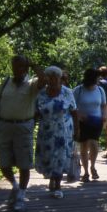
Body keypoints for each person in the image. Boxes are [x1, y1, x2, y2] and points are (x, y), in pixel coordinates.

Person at [0, 55, 44, 212]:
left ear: (26, 68)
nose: (16, 70)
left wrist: (33, 63)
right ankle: (15, 186)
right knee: (3, 162)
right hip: (4, 126)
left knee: (24, 163)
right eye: (14, 67)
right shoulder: (5, 83)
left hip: (24, 126)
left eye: (20, 67)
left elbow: (43, 80)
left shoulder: (32, 84)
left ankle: (21, 197)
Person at [34, 66, 78, 198]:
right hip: (46, 130)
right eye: (49, 77)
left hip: (63, 130)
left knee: (60, 157)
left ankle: (58, 186)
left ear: (60, 78)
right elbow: (36, 112)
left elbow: (74, 112)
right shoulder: (41, 93)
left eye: (55, 77)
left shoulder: (67, 92)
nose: (52, 80)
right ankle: (52, 178)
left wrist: (77, 130)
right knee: (48, 156)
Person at [73, 68, 106, 182]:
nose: (99, 79)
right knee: (84, 146)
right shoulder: (78, 90)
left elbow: (104, 105)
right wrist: (79, 115)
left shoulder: (100, 90)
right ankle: (86, 172)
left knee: (94, 144)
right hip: (82, 122)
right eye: (97, 77)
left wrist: (104, 118)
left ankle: (93, 166)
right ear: (92, 78)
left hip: (97, 121)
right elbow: (72, 106)